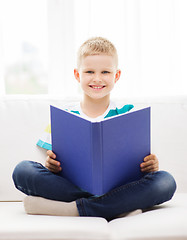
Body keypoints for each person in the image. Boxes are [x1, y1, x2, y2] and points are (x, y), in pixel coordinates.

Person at [12, 37, 176, 221]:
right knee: (23, 170)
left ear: (117, 75)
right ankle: (116, 207)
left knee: (166, 182)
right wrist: (51, 167)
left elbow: (139, 163)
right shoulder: (63, 117)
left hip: (119, 187)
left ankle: (76, 209)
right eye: (89, 71)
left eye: (105, 72)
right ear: (77, 75)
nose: (97, 78)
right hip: (73, 186)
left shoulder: (128, 114)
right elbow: (51, 165)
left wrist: (150, 167)